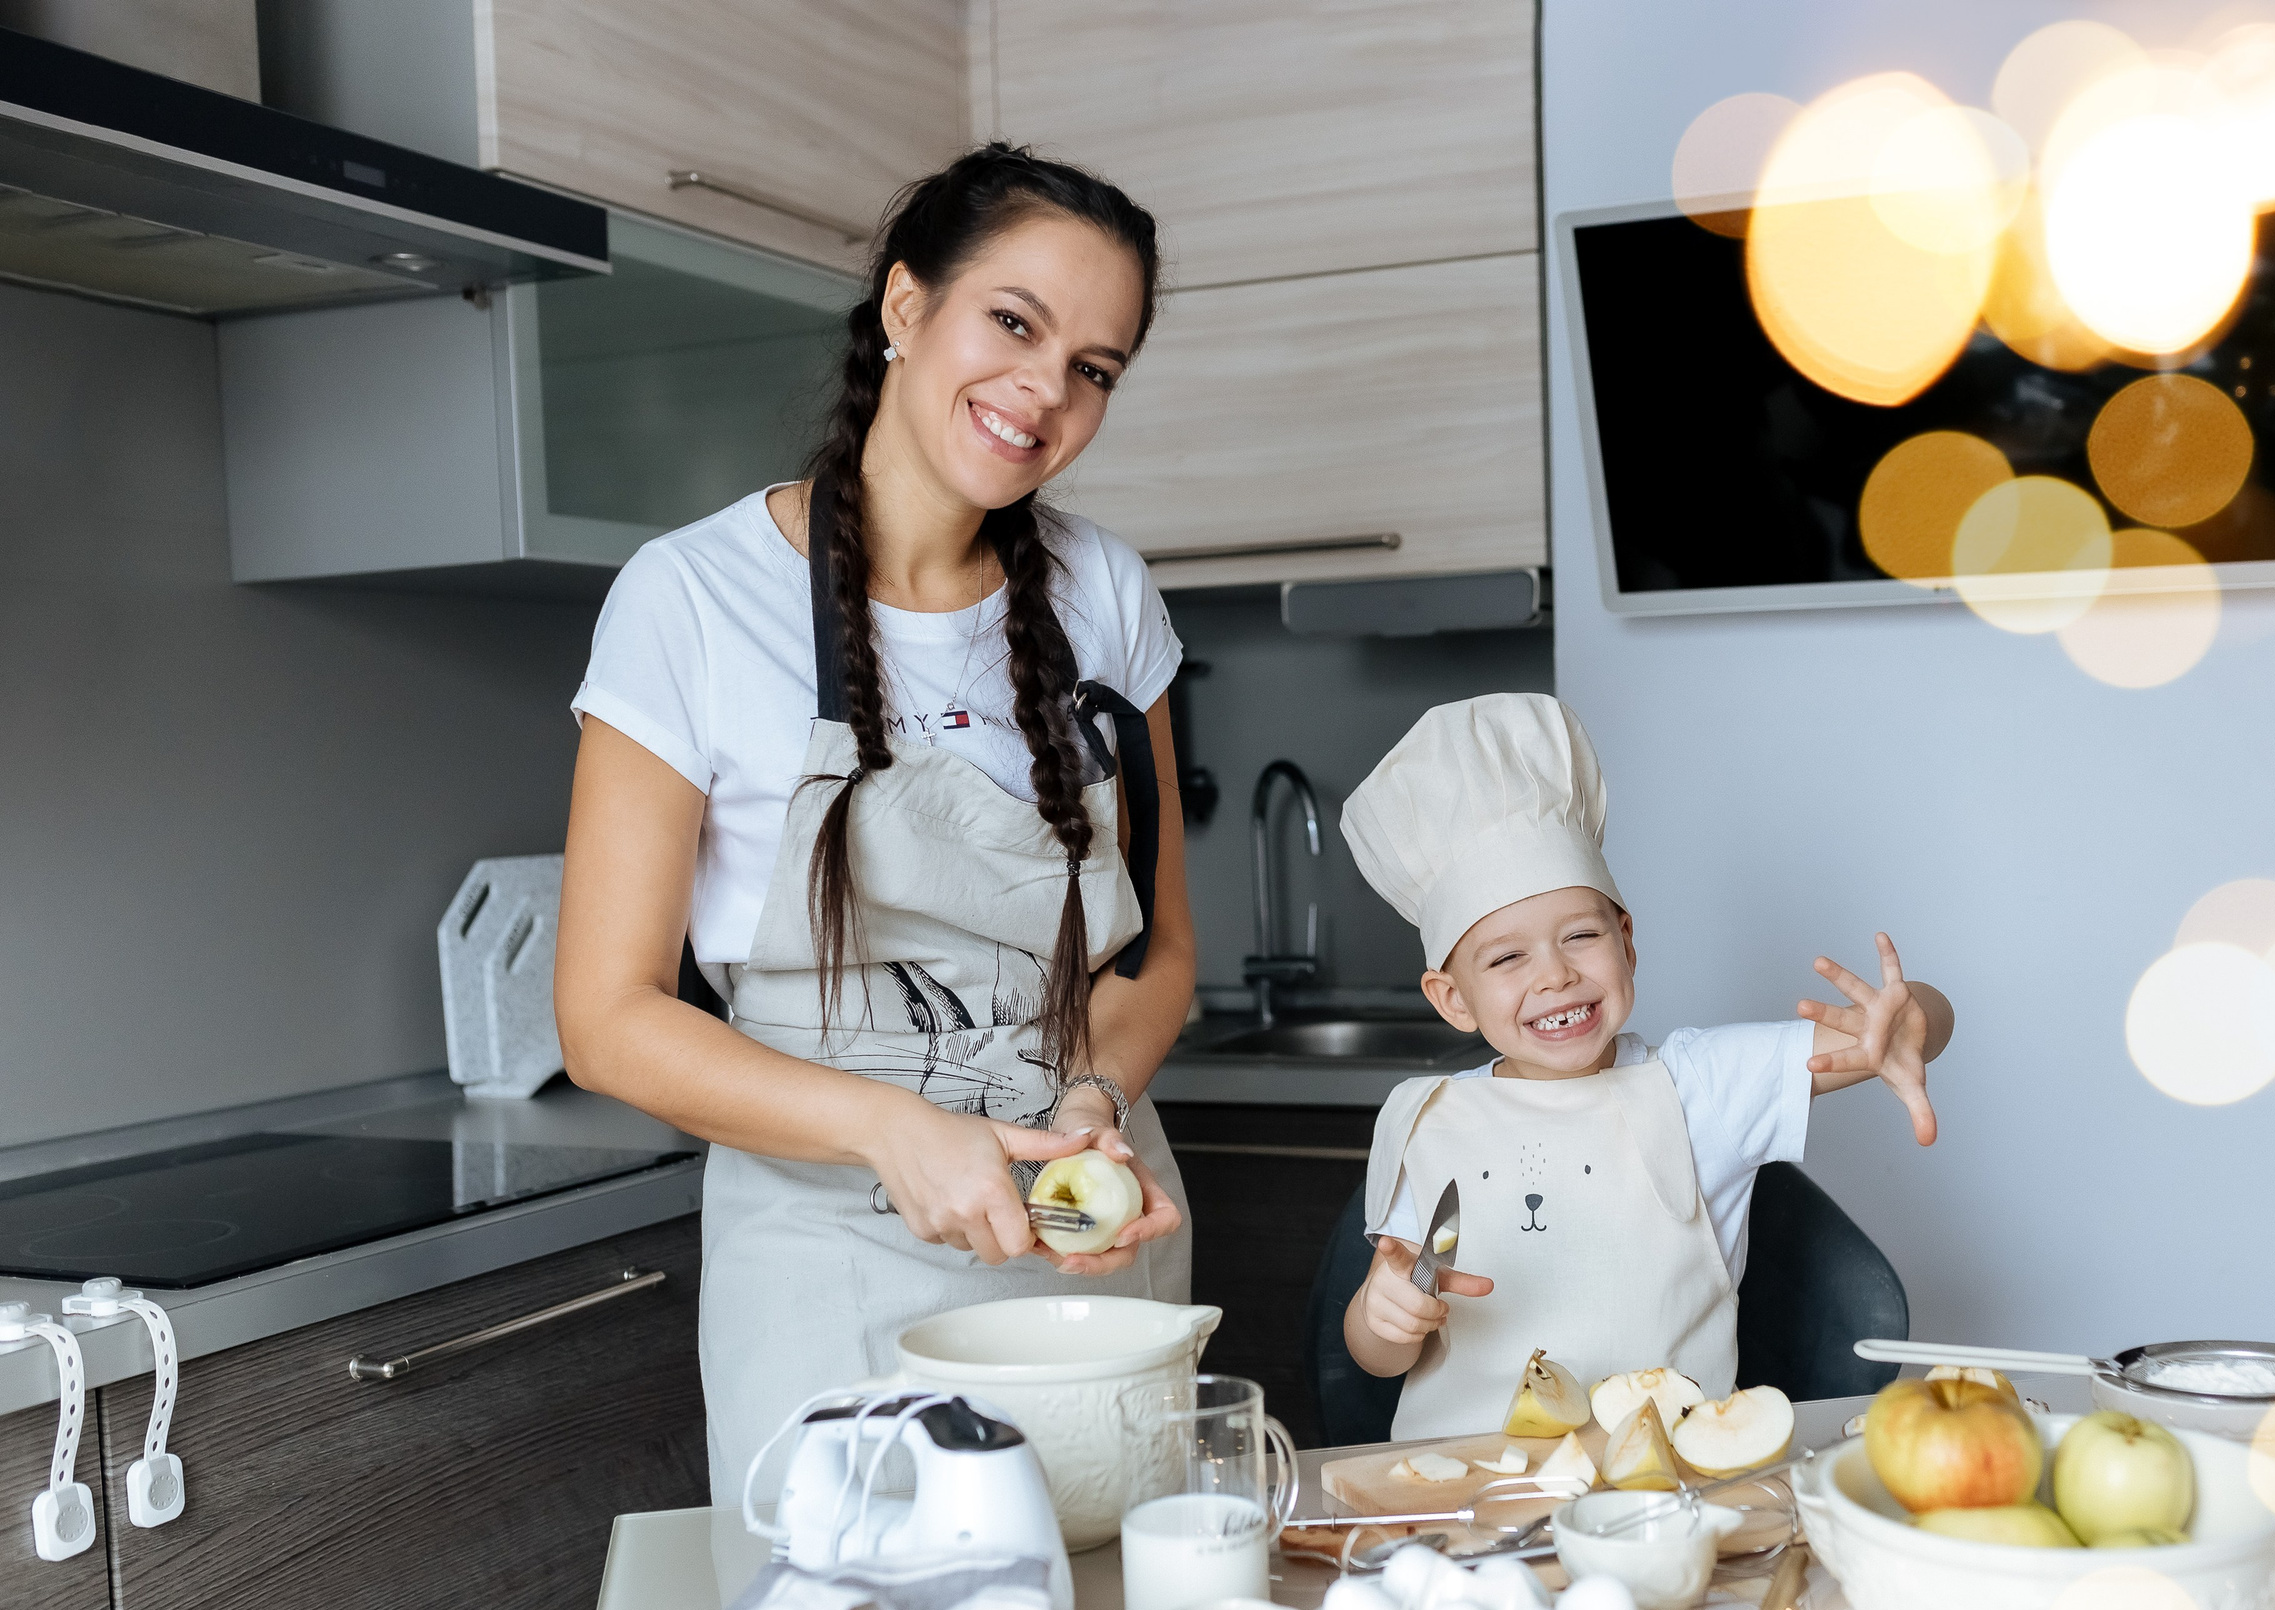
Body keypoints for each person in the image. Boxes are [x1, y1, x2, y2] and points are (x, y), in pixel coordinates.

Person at [554, 145, 1194, 1503]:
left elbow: (1159, 958)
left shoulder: (1107, 593)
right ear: (905, 307)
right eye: (1013, 322)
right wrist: (895, 1128)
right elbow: (605, 1016)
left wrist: (1092, 1099)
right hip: (824, 1237)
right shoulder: (689, 600)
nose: (1045, 390)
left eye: (1095, 366)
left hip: (1081, 1223)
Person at [1334, 693, 1953, 1438]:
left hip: (1660, 1492)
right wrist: (1382, 1318)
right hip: (1468, 1493)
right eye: (1506, 957)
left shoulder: (1701, 1086)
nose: (1555, 975)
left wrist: (1909, 1017)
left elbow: (1883, 1034)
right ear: (1452, 996)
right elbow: (1376, 1356)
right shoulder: (1429, 1121)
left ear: (1627, 940)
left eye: (1580, 936)